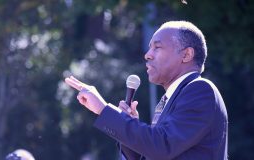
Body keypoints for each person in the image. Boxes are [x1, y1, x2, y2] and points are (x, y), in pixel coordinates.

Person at [65, 21, 228, 160]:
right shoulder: (171, 99)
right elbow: (155, 152)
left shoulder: (200, 90)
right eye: (149, 48)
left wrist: (103, 109)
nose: (147, 55)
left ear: (186, 55)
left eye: (157, 47)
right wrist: (128, 123)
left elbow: (162, 147)